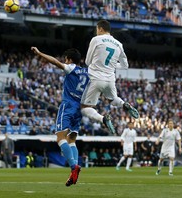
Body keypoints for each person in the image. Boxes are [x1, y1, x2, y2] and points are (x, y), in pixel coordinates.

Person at [31, 47, 89, 187]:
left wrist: (39, 53)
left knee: (60, 137)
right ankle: (74, 170)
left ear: (69, 59)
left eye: (66, 59)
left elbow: (55, 62)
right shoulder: (87, 73)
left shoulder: (71, 68)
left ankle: (74, 166)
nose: (65, 61)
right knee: (72, 139)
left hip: (68, 105)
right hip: (79, 108)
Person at [81, 20, 139, 134]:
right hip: (110, 79)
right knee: (113, 99)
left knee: (84, 108)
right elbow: (125, 66)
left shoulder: (96, 40)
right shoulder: (119, 44)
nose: (96, 32)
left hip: (96, 78)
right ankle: (124, 104)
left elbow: (88, 62)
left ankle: (102, 119)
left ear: (101, 29)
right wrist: (112, 64)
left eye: (97, 29)